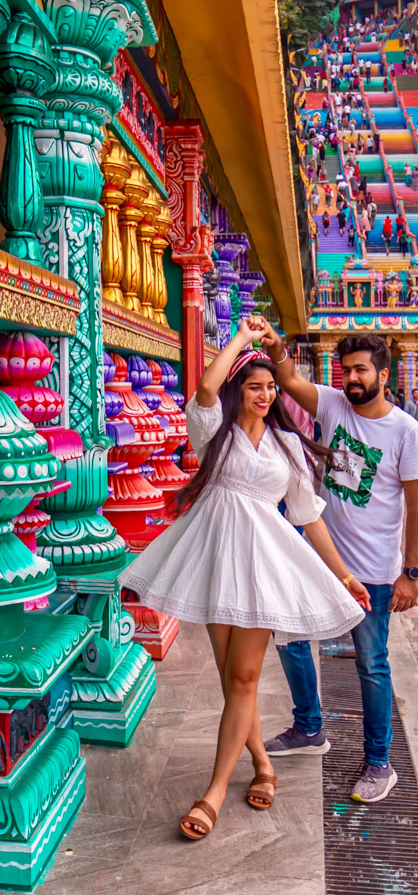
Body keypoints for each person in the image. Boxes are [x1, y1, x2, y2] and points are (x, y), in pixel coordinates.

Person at [121, 319, 367, 840]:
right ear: (239, 389)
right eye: (254, 386)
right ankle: (263, 764)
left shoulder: (287, 444)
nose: (265, 393)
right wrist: (242, 340)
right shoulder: (216, 430)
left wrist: (343, 574)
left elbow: (308, 515)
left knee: (244, 679)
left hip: (261, 565)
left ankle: (213, 792)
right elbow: (206, 388)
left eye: (270, 387)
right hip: (214, 559)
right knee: (234, 679)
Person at [262, 330, 418, 803]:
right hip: (317, 558)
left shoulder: (405, 432)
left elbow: (417, 505)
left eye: (360, 370)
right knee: (289, 637)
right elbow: (286, 377)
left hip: (373, 570)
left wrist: (409, 573)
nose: (350, 378)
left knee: (371, 665)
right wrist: (273, 347)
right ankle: (309, 728)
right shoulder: (330, 404)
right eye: (346, 370)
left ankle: (379, 762)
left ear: (383, 375)